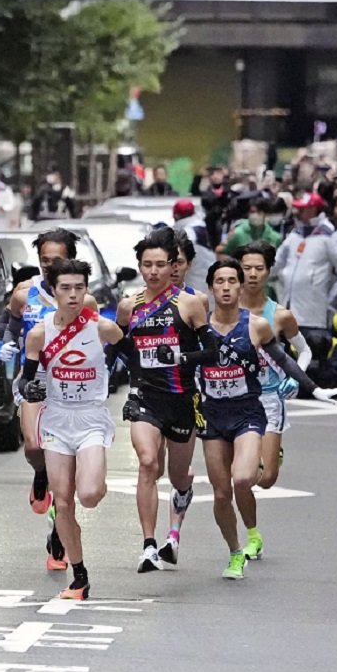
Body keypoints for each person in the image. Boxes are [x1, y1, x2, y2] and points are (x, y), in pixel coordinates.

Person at [178, 258, 337, 579]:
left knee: (244, 478)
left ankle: (253, 532)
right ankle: (235, 551)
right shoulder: (199, 329)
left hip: (247, 414)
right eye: (220, 282)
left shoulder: (256, 325)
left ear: (241, 287)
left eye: (232, 281)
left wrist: (314, 389)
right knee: (222, 492)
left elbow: (284, 359)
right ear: (211, 288)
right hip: (213, 417)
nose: (226, 287)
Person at [20, 257, 123, 599]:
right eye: (66, 288)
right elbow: (26, 379)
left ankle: (90, 483)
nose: (74, 294)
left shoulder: (102, 328)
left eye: (80, 288)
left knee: (90, 494)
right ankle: (79, 577)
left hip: (91, 417)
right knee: (63, 502)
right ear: (53, 291)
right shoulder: (38, 334)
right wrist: (30, 389)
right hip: (57, 420)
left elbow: (129, 358)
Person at [0, 228, 97, 572]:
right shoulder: (24, 293)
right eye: (43, 261)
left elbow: (96, 342)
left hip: (70, 384)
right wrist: (8, 343)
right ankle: (39, 473)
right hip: (34, 379)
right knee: (33, 444)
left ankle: (59, 533)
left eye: (56, 260)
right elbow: (9, 326)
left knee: (66, 474)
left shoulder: (84, 301)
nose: (48, 266)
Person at [115, 227, 209, 573]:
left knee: (178, 474)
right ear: (140, 267)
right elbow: (118, 348)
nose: (153, 271)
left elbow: (210, 352)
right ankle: (148, 545)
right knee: (147, 462)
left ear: (173, 266)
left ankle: (176, 526)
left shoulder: (190, 304)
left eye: (160, 265)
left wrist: (181, 359)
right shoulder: (129, 306)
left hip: (182, 398)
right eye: (146, 265)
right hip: (145, 396)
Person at [237, 243, 311, 494]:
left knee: (266, 477)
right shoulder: (225, 310)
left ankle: (272, 453)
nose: (253, 274)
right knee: (241, 474)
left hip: (268, 396)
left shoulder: (280, 315)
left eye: (259, 268)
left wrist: (296, 377)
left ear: (269, 271)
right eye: (246, 268)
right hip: (231, 396)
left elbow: (305, 350)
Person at [275, 192, 337, 344]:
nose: (298, 213)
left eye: (303, 209)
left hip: (313, 311)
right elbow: (277, 261)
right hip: (288, 307)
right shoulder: (295, 234)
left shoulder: (328, 236)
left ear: (312, 210)